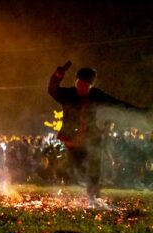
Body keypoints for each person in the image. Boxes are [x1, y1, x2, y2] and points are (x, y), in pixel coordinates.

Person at [48, 61, 146, 208]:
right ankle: (75, 193)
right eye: (79, 83)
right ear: (76, 82)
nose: (81, 87)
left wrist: (139, 111)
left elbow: (117, 103)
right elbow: (52, 90)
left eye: (85, 85)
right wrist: (57, 76)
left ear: (90, 85)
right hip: (72, 139)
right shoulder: (68, 94)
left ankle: (92, 196)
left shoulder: (97, 95)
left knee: (95, 164)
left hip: (91, 137)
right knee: (77, 167)